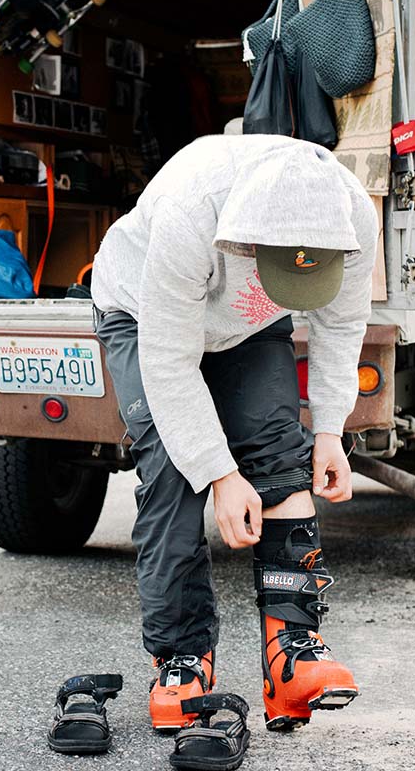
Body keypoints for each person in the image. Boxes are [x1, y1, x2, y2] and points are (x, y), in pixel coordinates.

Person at [90, 133, 377, 731]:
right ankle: (182, 658)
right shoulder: (193, 210)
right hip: (144, 311)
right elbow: (169, 361)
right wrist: (220, 473)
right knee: (173, 467)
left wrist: (329, 431)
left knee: (280, 453)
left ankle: (292, 656)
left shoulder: (353, 217)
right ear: (249, 238)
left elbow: (342, 324)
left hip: (247, 325)